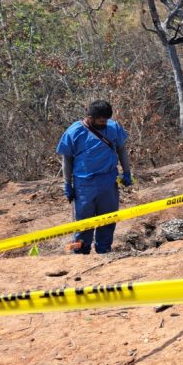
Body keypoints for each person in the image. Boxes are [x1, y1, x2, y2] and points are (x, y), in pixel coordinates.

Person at [57, 100, 131, 254]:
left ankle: (104, 250)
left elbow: (122, 149)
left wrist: (127, 171)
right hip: (84, 185)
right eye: (101, 120)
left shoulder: (113, 127)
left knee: (108, 218)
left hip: (108, 181)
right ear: (90, 117)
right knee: (84, 222)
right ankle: (81, 252)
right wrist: (67, 184)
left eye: (106, 120)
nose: (104, 123)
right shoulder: (74, 132)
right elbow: (67, 160)